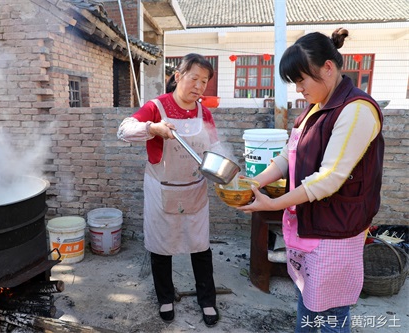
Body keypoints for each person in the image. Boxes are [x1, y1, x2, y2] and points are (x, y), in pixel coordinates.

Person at [238, 28, 384, 333]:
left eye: (301, 80)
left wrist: (275, 202)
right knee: (307, 297)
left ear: (327, 69)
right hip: (312, 224)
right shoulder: (315, 108)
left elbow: (328, 179)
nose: (298, 89)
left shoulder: (356, 110)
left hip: (335, 231)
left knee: (331, 311)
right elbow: (287, 156)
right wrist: (256, 182)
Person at [117, 53, 221, 327]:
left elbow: (214, 146)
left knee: (200, 246)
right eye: (194, 78)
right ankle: (165, 297)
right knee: (162, 246)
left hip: (195, 188)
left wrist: (225, 168)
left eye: (204, 81)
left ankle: (207, 300)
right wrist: (152, 128)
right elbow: (124, 130)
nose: (199, 86)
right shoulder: (156, 106)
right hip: (161, 188)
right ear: (178, 76)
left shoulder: (204, 112)